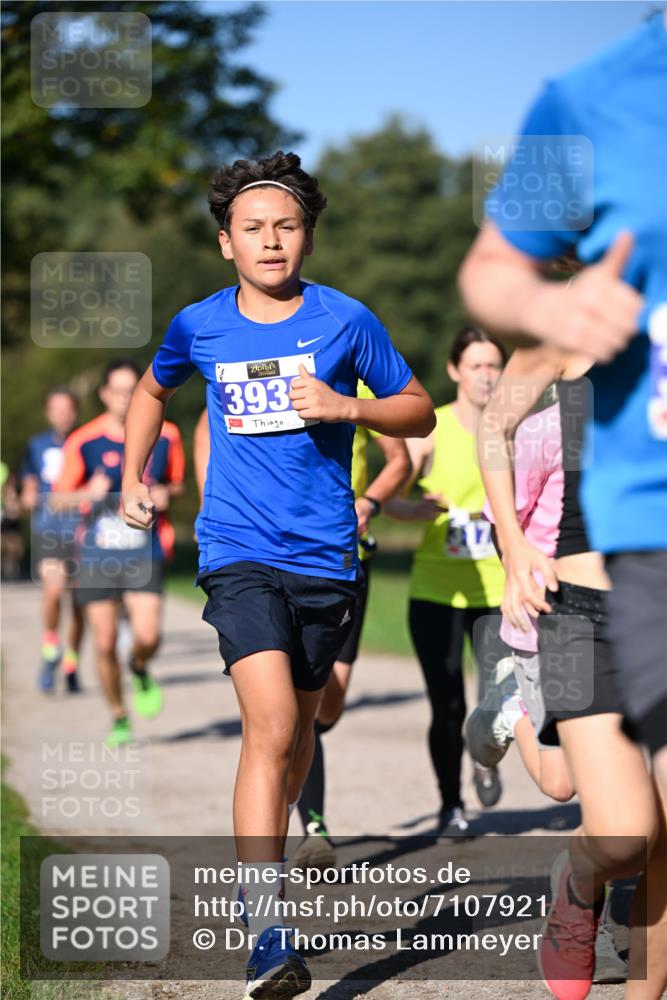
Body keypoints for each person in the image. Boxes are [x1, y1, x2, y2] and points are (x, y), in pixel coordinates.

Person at [122, 151, 434, 1000]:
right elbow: (152, 393)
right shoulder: (199, 324)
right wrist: (132, 477)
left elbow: (416, 409)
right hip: (237, 553)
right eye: (253, 228)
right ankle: (266, 931)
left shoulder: (344, 319)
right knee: (267, 730)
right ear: (225, 243)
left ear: (306, 237)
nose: (270, 241)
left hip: (325, 556)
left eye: (286, 226)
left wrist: (346, 407)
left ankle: (281, 859)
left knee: (297, 739)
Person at [459, 13, 667, 997]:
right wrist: (512, 543)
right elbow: (491, 427)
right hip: (582, 597)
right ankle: (575, 877)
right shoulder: (562, 334)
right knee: (624, 834)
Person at [386, 326, 508, 833]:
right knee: (448, 701)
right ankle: (450, 804)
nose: (486, 375)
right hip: (436, 589)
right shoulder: (430, 430)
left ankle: (484, 757)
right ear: (456, 370)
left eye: (494, 365)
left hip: (498, 589)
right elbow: (388, 494)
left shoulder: (512, 428)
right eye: (476, 365)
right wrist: (414, 509)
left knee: (498, 698)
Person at [53, 359, 185, 747]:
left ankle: (140, 665)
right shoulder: (83, 440)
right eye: (120, 391)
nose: (127, 398)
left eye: (134, 389)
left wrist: (165, 494)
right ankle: (119, 715)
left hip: (144, 549)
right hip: (97, 554)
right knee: (105, 642)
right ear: (105, 394)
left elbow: (177, 484)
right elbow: (57, 500)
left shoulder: (168, 435)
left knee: (147, 636)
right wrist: (84, 495)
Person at [21, 387, 84, 692]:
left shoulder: (86, 442)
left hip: (82, 530)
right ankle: (50, 648)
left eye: (67, 408)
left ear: (75, 411)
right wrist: (28, 493)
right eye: (56, 409)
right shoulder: (36, 445)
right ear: (48, 412)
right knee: (53, 591)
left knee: (78, 602)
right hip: (49, 529)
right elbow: (29, 479)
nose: (62, 414)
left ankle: (71, 662)